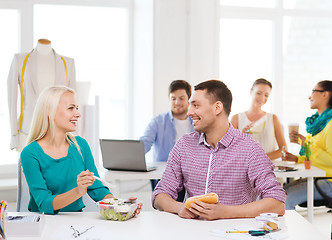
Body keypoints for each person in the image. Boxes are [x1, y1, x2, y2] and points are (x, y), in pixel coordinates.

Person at [152, 80, 286, 220]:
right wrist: (180, 208)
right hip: (192, 232)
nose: (190, 112)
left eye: (196, 105)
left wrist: (226, 212)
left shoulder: (249, 149)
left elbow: (277, 203)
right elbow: (160, 195)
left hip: (235, 233)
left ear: (217, 108)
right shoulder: (184, 146)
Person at [21, 86, 142, 215]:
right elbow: (44, 204)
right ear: (50, 111)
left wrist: (121, 206)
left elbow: (97, 189)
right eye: (71, 108)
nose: (78, 114)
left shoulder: (81, 145)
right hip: (44, 223)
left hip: (76, 221)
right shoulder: (30, 154)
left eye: (77, 108)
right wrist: (78, 191)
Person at [282, 80, 332, 210]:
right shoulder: (318, 126)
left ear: (324, 95)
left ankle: (291, 231)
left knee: (284, 200)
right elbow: (317, 156)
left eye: (313, 92)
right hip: (321, 179)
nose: (309, 97)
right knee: (276, 195)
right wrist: (297, 158)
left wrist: (306, 144)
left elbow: (331, 161)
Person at [8, 39, 76, 152]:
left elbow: (72, 103)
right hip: (27, 133)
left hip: (58, 136)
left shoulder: (68, 63)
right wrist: (14, 135)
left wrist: (73, 137)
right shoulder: (19, 60)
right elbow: (12, 100)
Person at [140, 80, 194, 193]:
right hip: (165, 176)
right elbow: (144, 144)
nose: (177, 102)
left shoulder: (196, 121)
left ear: (189, 99)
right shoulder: (158, 121)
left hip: (191, 175)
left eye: (181, 98)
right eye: (173, 98)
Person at [230, 78, 286, 160]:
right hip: (245, 168)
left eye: (266, 95)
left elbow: (283, 149)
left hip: (268, 167)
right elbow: (230, 149)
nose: (262, 98)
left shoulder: (273, 118)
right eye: (259, 93)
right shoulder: (236, 118)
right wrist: (242, 137)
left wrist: (260, 158)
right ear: (251, 92)